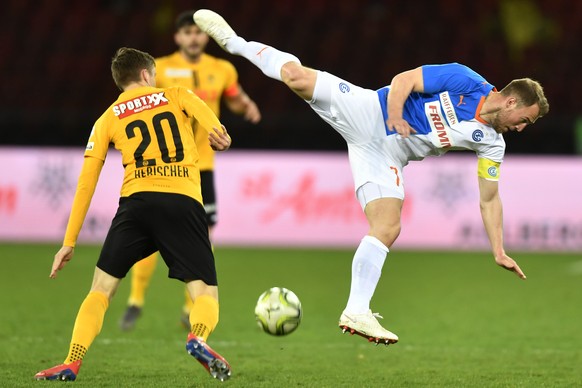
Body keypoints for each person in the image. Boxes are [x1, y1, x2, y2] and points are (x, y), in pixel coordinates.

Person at [193, 9, 550, 346]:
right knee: (295, 77)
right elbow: (404, 80)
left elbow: (489, 198)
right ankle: (235, 41)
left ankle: (356, 310)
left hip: (387, 155)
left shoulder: (492, 143)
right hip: (370, 111)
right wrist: (395, 115)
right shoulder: (465, 79)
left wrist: (498, 249)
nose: (520, 129)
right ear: (511, 103)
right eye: (524, 120)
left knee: (388, 227)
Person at [35, 47, 233, 382]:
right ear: (145, 74)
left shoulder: (107, 118)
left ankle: (71, 362)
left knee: (101, 289)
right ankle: (197, 337)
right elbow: (216, 129)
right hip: (182, 200)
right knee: (204, 293)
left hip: (136, 203)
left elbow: (87, 183)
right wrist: (221, 136)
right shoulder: (177, 94)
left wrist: (69, 242)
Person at [119, 10, 261, 331]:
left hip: (203, 168)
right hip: (165, 165)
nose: (193, 38)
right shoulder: (160, 68)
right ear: (177, 38)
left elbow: (234, 98)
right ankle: (136, 299)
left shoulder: (222, 69)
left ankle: (190, 307)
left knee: (202, 237)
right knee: (149, 233)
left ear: (206, 36)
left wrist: (247, 105)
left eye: (198, 32)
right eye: (187, 32)